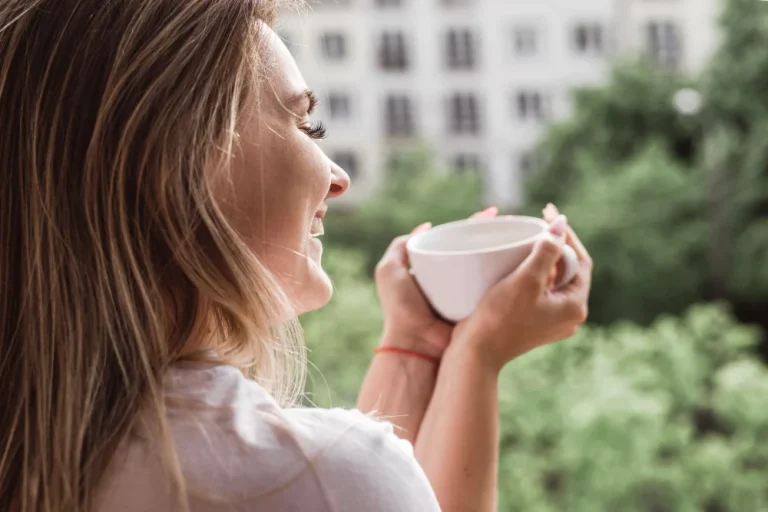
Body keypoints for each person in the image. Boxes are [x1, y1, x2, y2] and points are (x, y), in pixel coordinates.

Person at [0, 1, 592, 511]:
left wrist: (419, 349)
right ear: (176, 164)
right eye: (306, 125)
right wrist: (480, 356)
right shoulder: (303, 478)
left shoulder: (39, 448)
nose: (338, 179)